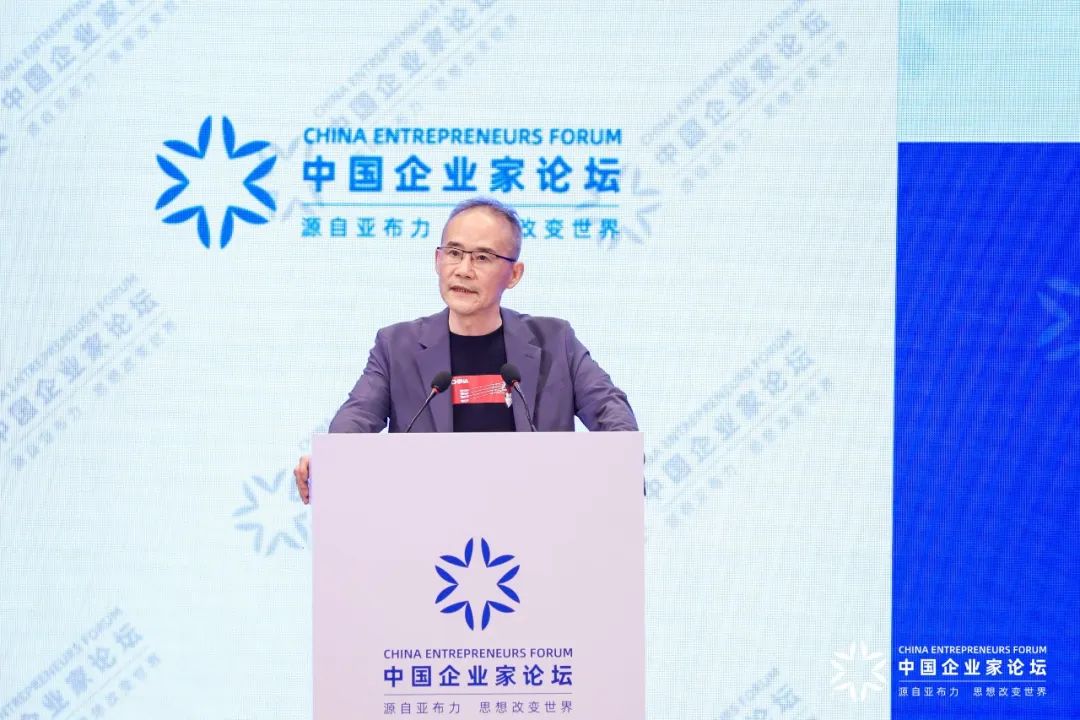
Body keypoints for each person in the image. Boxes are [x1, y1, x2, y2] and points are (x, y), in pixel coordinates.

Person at [293, 197, 637, 503]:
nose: (463, 270)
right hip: (430, 524)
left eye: (483, 257)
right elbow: (357, 417)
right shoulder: (396, 346)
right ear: (437, 260)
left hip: (537, 519)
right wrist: (332, 460)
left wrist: (620, 466)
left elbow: (609, 408)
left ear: (514, 274)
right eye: (454, 253)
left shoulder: (554, 341)